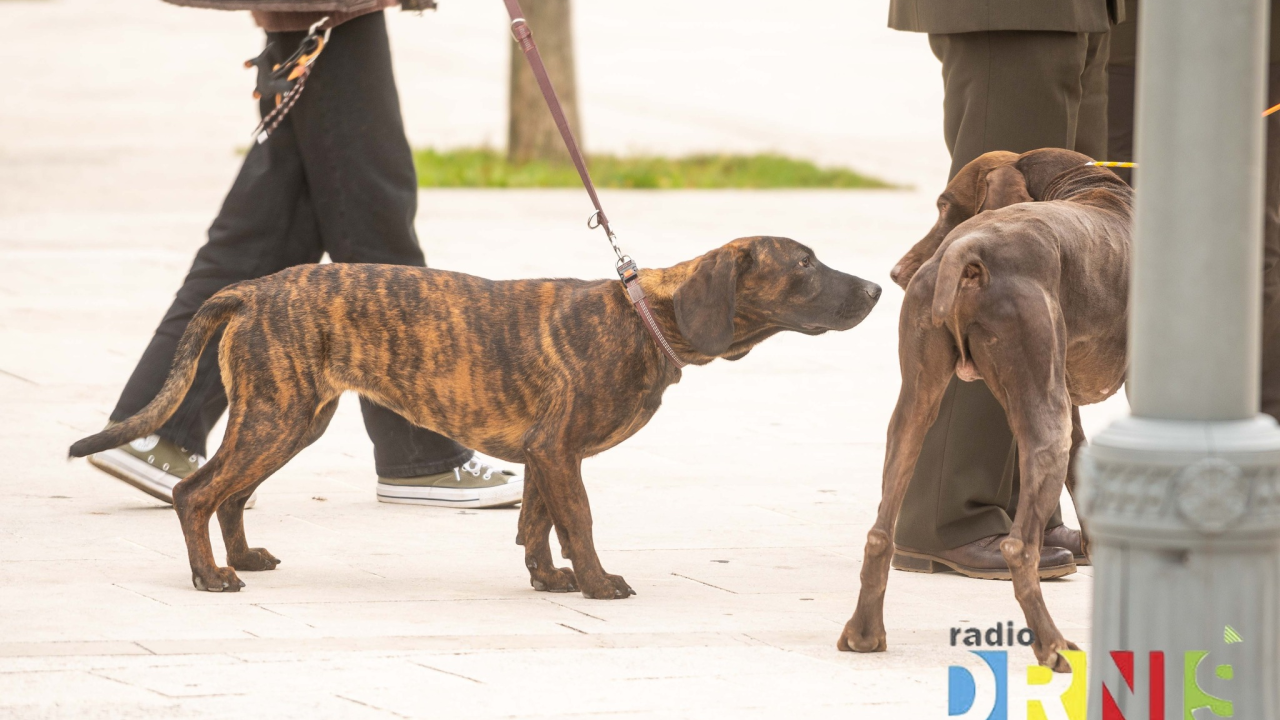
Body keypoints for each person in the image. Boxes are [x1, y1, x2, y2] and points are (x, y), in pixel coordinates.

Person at [88, 0, 523, 510]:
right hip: (329, 16)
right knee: (376, 231)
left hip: (318, 20)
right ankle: (423, 459)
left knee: (270, 232)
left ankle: (156, 430)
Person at [886, 0, 1124, 578]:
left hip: (1082, 13)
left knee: (1057, 263)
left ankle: (1024, 509)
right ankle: (947, 515)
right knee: (995, 266)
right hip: (1014, 12)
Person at [1107, 0, 1280, 422]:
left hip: (1255, 43)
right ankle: (1159, 417)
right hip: (1126, 44)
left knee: (1253, 233)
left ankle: (1263, 422)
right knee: (1131, 234)